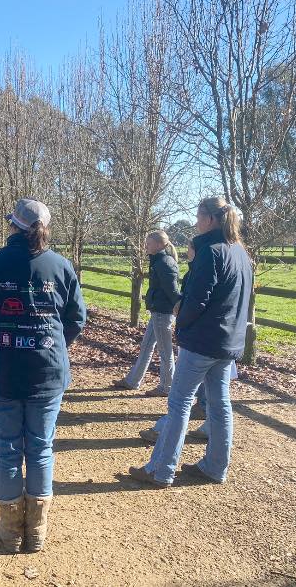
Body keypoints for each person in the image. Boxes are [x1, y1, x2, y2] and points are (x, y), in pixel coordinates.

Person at [0, 198, 87, 553]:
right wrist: (55, 346)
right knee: (42, 447)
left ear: (13, 226)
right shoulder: (62, 266)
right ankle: (37, 530)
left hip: (0, 374)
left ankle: (11, 529)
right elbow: (76, 319)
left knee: (8, 450)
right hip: (47, 373)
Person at [128, 197, 252, 488]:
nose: (195, 221)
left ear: (209, 218)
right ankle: (215, 467)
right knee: (220, 405)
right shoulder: (240, 253)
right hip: (228, 343)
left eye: (198, 215)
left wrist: (179, 317)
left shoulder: (210, 251)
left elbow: (197, 299)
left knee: (179, 403)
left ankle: (160, 469)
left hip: (202, 341)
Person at [115, 230, 182, 397]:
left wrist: (179, 307)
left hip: (163, 313)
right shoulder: (159, 261)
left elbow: (172, 290)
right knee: (146, 347)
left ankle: (166, 387)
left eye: (149, 243)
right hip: (158, 312)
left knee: (165, 351)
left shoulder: (164, 263)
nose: (146, 246)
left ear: (159, 245)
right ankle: (132, 381)